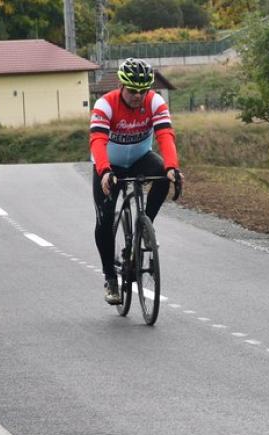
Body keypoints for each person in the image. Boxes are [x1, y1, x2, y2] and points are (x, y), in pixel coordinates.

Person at [90, 58, 183, 305]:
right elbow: (98, 141)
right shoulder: (105, 104)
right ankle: (110, 277)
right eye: (132, 91)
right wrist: (105, 171)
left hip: (141, 157)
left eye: (142, 91)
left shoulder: (155, 102)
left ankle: (144, 228)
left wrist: (173, 166)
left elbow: (165, 135)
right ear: (122, 86)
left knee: (164, 175)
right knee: (105, 218)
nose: (137, 96)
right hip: (109, 164)